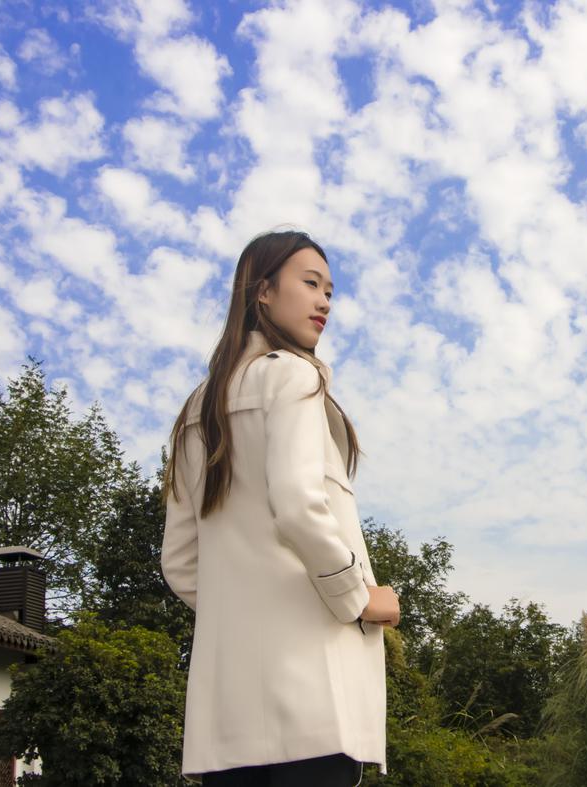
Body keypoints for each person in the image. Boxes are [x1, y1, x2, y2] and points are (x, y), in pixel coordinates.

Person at [161, 229, 400, 786]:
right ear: (262, 291)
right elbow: (296, 506)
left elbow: (180, 563)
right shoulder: (293, 374)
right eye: (311, 284)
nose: (324, 302)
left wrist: (245, 609)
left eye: (330, 292)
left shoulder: (197, 408)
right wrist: (358, 599)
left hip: (228, 719)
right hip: (315, 701)